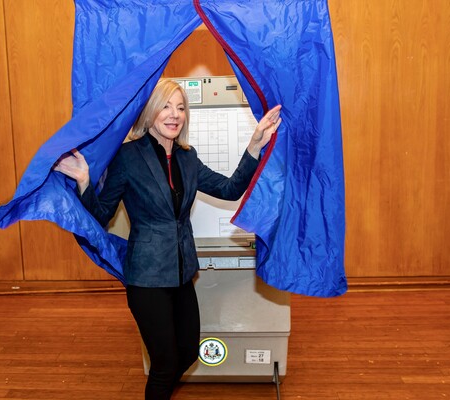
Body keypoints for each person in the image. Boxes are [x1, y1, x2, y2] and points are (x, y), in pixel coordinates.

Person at [54, 79, 281, 399]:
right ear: (149, 112)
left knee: (188, 352)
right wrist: (84, 180)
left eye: (181, 107)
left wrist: (255, 144)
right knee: (164, 363)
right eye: (165, 105)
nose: (174, 114)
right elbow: (101, 215)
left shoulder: (188, 158)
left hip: (182, 272)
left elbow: (230, 189)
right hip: (146, 278)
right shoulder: (128, 157)